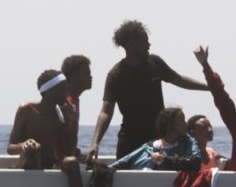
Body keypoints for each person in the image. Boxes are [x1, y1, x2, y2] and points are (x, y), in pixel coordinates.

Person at [88, 20, 208, 162]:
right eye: (145, 41)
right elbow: (105, 112)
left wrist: (210, 87)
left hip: (159, 140)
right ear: (132, 44)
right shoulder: (116, 75)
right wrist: (95, 142)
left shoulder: (155, 63)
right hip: (130, 142)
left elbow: (179, 80)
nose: (149, 45)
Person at [7, 68, 95, 187]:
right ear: (50, 92)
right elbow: (10, 147)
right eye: (63, 89)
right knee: (33, 150)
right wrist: (24, 145)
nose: (67, 93)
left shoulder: (61, 114)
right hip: (30, 159)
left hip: (50, 161)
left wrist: (72, 121)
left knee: (70, 163)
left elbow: (69, 151)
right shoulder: (26, 110)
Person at [111, 107, 202, 171]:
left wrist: (165, 160)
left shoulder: (189, 143)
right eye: (182, 120)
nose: (186, 123)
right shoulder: (149, 148)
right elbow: (123, 163)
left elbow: (195, 163)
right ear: (171, 125)